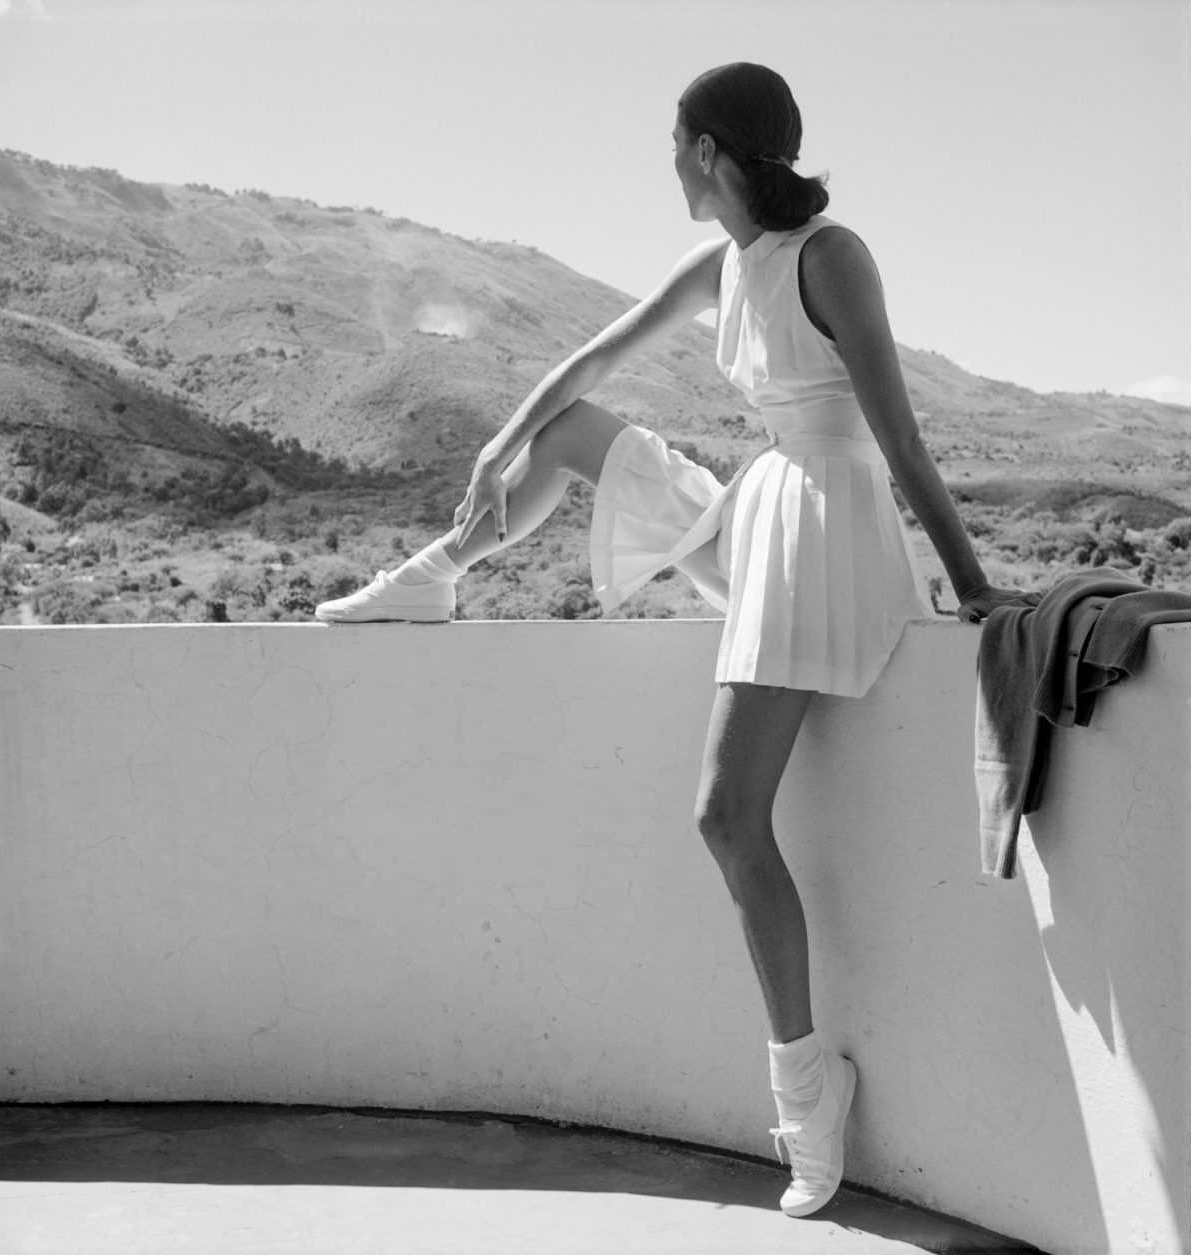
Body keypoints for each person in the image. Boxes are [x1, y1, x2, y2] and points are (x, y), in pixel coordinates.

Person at [316, 62, 1020, 1217]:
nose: (665, 161)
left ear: (705, 152)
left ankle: (808, 1088)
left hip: (827, 529)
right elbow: (589, 363)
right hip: (766, 513)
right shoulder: (722, 264)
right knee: (574, 431)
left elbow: (899, 436)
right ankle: (431, 579)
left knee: (723, 812)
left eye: (672, 142)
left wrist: (976, 586)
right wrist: (503, 439)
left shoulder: (831, 257)